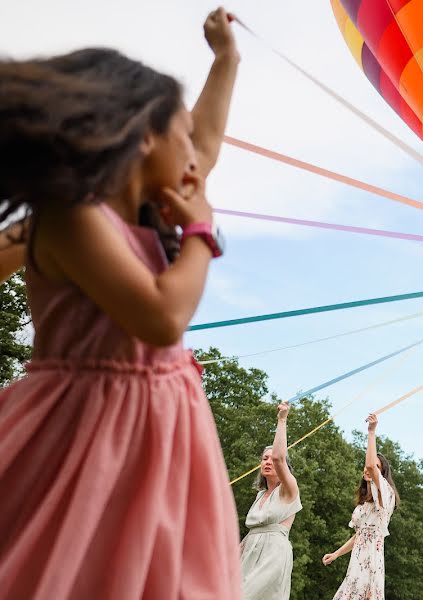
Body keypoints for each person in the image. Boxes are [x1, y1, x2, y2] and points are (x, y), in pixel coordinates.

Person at [0, 9, 241, 598]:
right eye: (180, 133)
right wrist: (202, 235)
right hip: (84, 424)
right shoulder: (71, 218)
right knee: (69, 560)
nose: (197, 158)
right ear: (144, 138)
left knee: (151, 569)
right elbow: (161, 318)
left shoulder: (151, 211)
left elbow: (204, 145)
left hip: (160, 428)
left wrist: (226, 62)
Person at [323, 414, 399, 600]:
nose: (368, 468)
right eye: (366, 466)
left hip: (371, 561)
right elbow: (359, 536)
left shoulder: (385, 495)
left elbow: (371, 466)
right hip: (356, 561)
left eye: (375, 467)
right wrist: (336, 554)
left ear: (381, 473)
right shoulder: (365, 503)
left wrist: (371, 432)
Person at [240, 402, 302, 600]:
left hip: (273, 556)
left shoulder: (288, 490)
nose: (268, 461)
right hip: (249, 554)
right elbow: (252, 533)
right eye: (264, 458)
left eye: (270, 459)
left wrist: (282, 419)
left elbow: (278, 458)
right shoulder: (260, 496)